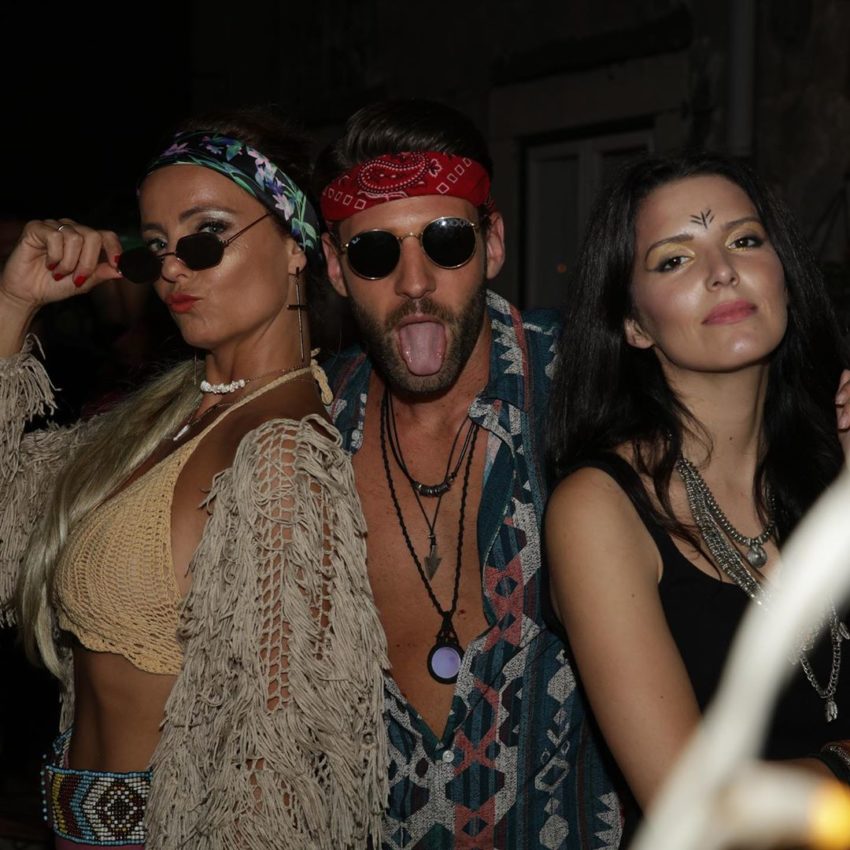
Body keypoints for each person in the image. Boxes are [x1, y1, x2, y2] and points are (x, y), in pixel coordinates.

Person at [0, 108, 387, 849]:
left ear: (296, 244)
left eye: (206, 235)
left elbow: (275, 769)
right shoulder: (160, 418)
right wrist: (14, 305)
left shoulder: (281, 455)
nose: (174, 267)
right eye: (157, 247)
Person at [314, 99, 620, 850]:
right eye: (375, 254)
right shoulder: (304, 431)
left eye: (447, 242)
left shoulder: (596, 389)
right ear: (334, 268)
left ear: (494, 242)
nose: (415, 282)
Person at [544, 150, 850, 840]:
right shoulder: (600, 510)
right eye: (674, 260)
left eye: (745, 240)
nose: (722, 271)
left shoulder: (832, 470)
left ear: (784, 275)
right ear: (633, 323)